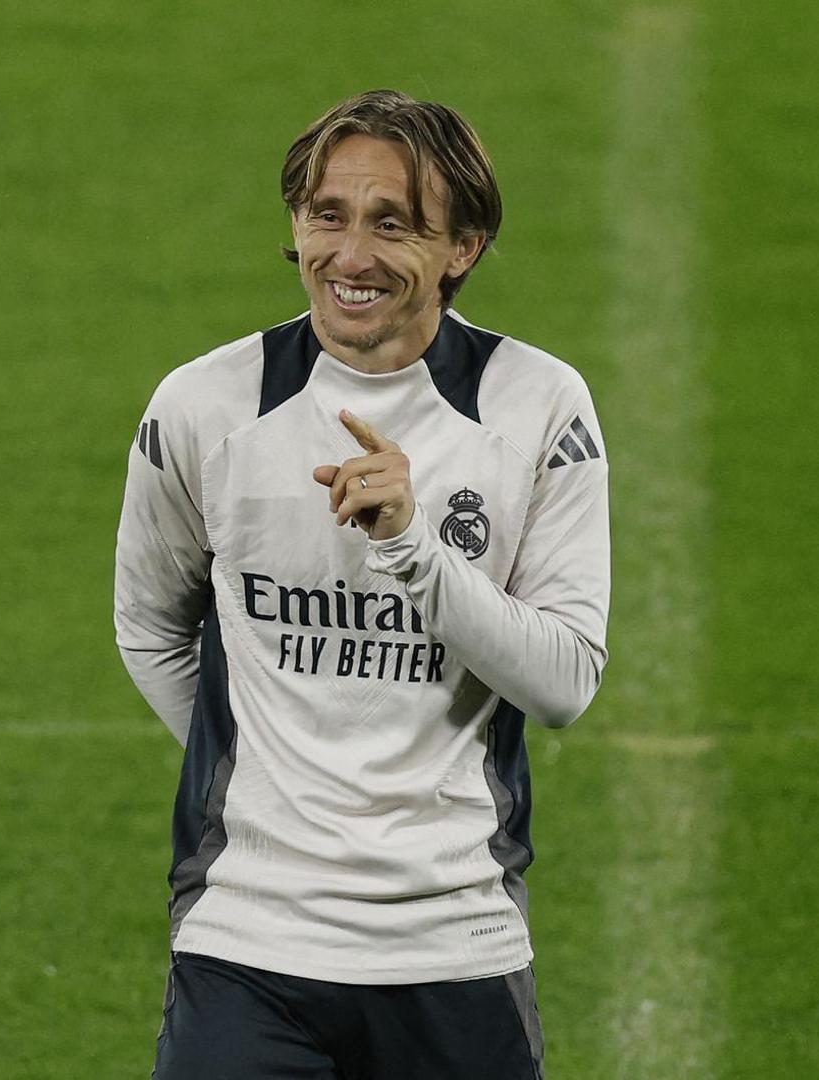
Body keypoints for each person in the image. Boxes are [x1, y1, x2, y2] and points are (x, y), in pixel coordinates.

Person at [114, 89, 610, 1080]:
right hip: (249, 937)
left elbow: (564, 682)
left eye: (392, 224)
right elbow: (149, 627)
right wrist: (283, 775)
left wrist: (414, 551)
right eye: (326, 215)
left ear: (462, 247)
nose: (349, 255)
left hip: (454, 939)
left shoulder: (537, 408)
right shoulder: (206, 405)